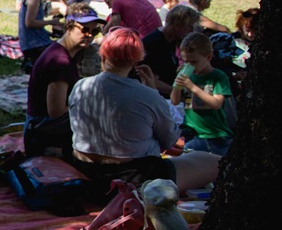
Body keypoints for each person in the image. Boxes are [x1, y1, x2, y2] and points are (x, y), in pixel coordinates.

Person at [68, 27, 220, 192]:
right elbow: (169, 140)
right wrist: (153, 91)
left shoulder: (80, 86)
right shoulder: (147, 95)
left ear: (103, 54)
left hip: (85, 171)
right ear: (136, 61)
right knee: (214, 162)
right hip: (135, 177)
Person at [24, 3, 101, 157]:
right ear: (68, 27)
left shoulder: (62, 51)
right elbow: (56, 111)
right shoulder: (60, 61)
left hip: (39, 126)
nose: (90, 35)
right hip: (42, 131)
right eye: (85, 29)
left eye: (95, 31)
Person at [171, 32, 233, 156]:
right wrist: (177, 85)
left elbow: (216, 104)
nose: (189, 66)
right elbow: (175, 101)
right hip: (192, 131)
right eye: (185, 61)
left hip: (214, 134)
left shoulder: (218, 77)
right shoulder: (188, 76)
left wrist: (192, 87)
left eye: (194, 62)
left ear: (208, 57)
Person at [142, 4, 202, 96]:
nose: (191, 30)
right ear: (177, 25)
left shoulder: (171, 40)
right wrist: (180, 92)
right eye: (189, 26)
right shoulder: (155, 43)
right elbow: (150, 81)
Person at [19, 0, 62, 68]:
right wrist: (51, 22)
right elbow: (30, 23)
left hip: (35, 42)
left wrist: (49, 34)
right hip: (33, 45)